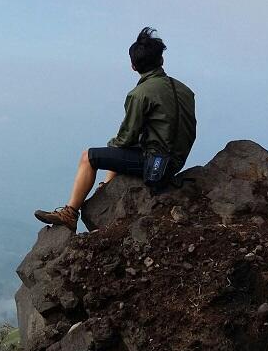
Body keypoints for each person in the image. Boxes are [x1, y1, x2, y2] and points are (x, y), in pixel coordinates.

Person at [35, 27, 197, 232]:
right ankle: (105, 188)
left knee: (89, 156)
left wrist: (112, 149)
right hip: (176, 160)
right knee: (121, 149)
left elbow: (126, 138)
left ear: (133, 66)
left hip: (156, 167)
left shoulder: (140, 94)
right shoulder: (185, 90)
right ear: (161, 61)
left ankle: (70, 213)